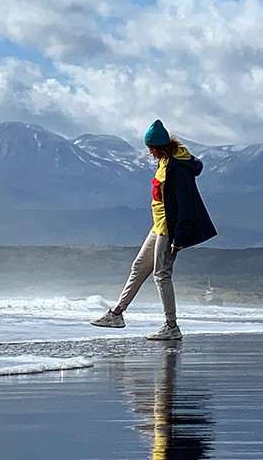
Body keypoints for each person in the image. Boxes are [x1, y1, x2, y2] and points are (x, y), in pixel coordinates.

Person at [91, 120, 217, 341]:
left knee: (161, 275)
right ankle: (116, 314)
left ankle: (171, 325)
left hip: (169, 229)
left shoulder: (179, 168)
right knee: (139, 266)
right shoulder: (165, 161)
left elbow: (186, 207)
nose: (150, 153)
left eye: (150, 148)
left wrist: (178, 238)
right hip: (158, 225)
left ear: (158, 146)